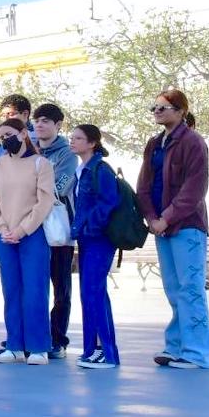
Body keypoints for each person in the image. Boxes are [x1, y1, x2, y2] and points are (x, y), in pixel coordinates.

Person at [136, 89, 209, 369]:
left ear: (180, 111)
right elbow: (143, 185)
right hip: (161, 228)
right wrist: (151, 217)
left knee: (190, 289)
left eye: (163, 107)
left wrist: (166, 218)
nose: (157, 111)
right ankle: (176, 346)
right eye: (154, 107)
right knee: (172, 288)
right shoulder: (154, 144)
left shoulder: (193, 143)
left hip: (186, 227)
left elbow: (194, 190)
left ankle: (196, 353)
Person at [0, 117, 55, 365]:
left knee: (35, 290)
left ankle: (38, 347)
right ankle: (14, 345)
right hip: (4, 236)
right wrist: (2, 227)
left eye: (9, 134)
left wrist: (23, 230)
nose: (5, 140)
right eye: (1, 137)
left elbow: (44, 202)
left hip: (32, 235)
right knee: (11, 290)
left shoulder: (41, 164)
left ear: (24, 133)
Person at [68, 124, 120, 369]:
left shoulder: (100, 169)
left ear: (92, 143)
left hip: (99, 239)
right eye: (72, 137)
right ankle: (92, 349)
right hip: (87, 239)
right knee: (89, 293)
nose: (73, 141)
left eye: (78, 138)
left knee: (93, 292)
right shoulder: (82, 170)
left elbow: (109, 202)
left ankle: (106, 352)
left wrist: (89, 227)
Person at [32, 102, 77, 360]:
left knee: (60, 286)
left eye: (46, 121)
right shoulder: (28, 151)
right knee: (34, 285)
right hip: (32, 228)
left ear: (58, 125)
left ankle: (57, 338)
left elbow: (59, 187)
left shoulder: (67, 154)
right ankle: (35, 335)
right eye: (37, 120)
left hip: (58, 229)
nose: (40, 125)